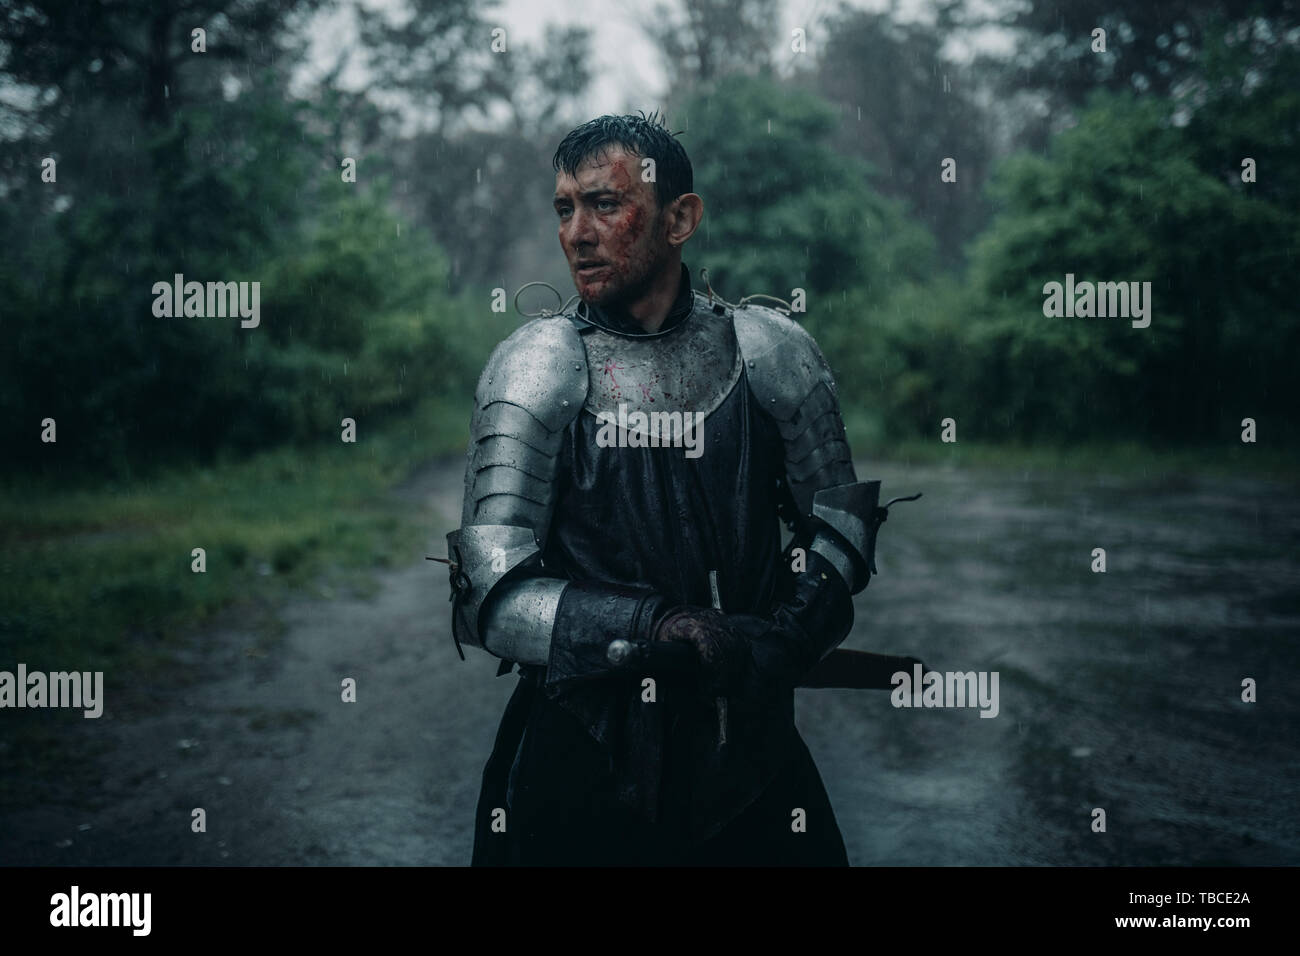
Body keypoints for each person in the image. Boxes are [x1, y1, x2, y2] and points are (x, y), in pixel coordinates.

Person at [447, 112, 883, 866]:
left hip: (745, 747)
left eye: (604, 204)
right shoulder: (537, 366)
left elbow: (839, 529)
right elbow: (492, 591)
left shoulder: (769, 350)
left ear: (680, 218)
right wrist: (654, 626)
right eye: (564, 208)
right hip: (581, 749)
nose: (577, 233)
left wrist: (782, 637)